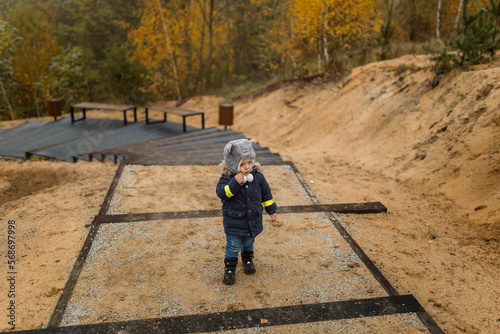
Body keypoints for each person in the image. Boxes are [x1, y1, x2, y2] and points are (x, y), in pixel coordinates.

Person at [216, 138, 277, 285]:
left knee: (249, 241)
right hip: (234, 221)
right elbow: (222, 193)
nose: (247, 167)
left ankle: (247, 259)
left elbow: (266, 194)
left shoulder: (258, 177)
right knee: (233, 245)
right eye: (242, 164)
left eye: (250, 162)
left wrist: (271, 209)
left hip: (252, 220)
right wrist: (235, 182)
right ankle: (229, 269)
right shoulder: (227, 178)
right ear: (232, 163)